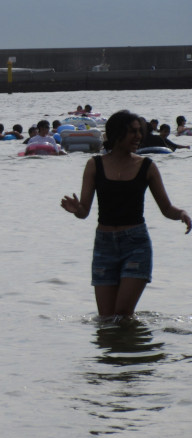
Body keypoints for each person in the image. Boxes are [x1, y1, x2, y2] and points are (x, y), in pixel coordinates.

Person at [61, 110, 191, 318]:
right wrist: (76, 210)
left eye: (140, 131)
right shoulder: (95, 165)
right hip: (104, 246)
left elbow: (166, 208)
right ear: (117, 134)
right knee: (106, 318)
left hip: (136, 245)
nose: (138, 136)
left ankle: (133, 348)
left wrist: (182, 213)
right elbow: (84, 212)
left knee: (122, 313)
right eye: (132, 132)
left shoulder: (147, 166)